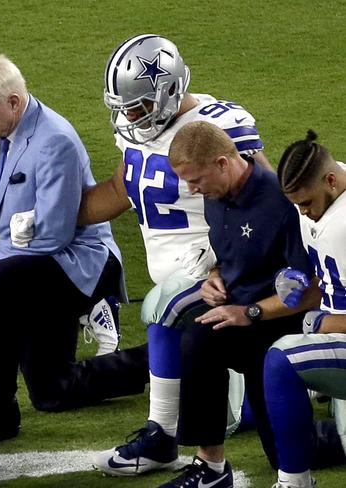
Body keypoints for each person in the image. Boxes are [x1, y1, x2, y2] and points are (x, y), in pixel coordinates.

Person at [82, 34, 271, 476]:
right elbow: (120, 189)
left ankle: (162, 437)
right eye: (124, 107)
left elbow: (269, 200)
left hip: (222, 274)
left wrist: (230, 258)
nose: (129, 116)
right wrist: (55, 223)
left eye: (139, 106)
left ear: (169, 90)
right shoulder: (134, 133)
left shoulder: (219, 125)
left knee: (161, 308)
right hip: (183, 279)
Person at [0, 54, 149, 449]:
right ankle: (162, 359)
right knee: (52, 392)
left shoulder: (54, 140)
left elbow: (54, 235)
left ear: (13, 102)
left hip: (78, 262)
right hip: (29, 261)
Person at [155, 121, 320, 488]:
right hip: (241, 318)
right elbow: (227, 254)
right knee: (198, 333)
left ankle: (329, 435)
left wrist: (251, 312)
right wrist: (215, 276)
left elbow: (311, 290)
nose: (191, 189)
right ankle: (210, 468)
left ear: (222, 164)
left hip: (280, 322)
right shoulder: (215, 197)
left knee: (287, 453)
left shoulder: (281, 202)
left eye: (195, 179)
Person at [263, 131, 346, 488]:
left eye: (306, 203)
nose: (303, 212)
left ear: (330, 181)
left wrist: (322, 322)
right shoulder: (327, 192)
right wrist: (300, 284)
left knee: (281, 361)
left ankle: (294, 483)